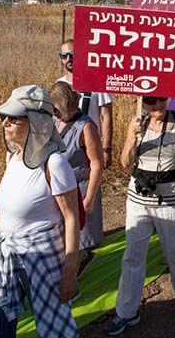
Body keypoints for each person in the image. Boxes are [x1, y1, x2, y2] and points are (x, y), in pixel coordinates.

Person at [104, 91, 175, 335]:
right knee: (132, 256)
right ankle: (126, 312)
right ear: (142, 102)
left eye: (161, 98)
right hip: (139, 199)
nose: (156, 104)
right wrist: (130, 137)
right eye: (150, 100)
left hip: (172, 201)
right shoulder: (138, 123)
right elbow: (125, 162)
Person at [0, 85, 80, 337]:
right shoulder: (13, 157)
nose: (5, 123)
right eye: (4, 117)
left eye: (13, 118)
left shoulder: (54, 163)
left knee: (53, 327)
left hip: (42, 257)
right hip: (5, 254)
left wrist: (70, 271)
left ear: (37, 122)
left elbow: (71, 219)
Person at [49, 81, 104, 274]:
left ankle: (77, 269)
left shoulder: (86, 127)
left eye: (56, 108)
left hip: (80, 188)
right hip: (60, 188)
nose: (53, 112)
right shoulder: (54, 121)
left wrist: (89, 198)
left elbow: (97, 163)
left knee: (77, 237)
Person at [59, 39, 113, 169]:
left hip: (90, 148)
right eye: (64, 56)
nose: (68, 59)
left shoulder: (97, 82)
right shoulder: (59, 85)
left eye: (72, 54)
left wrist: (106, 149)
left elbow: (106, 116)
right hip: (64, 147)